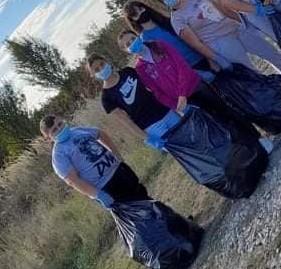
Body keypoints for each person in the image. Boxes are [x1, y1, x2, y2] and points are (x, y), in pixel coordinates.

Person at [88, 54, 270, 198]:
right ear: (93, 75)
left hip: (168, 112)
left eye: (101, 64)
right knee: (194, 155)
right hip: (153, 128)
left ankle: (240, 169)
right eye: (96, 69)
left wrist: (176, 102)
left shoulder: (128, 72)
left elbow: (154, 87)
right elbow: (126, 122)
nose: (101, 69)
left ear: (106, 61)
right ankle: (230, 183)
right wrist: (148, 139)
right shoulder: (107, 98)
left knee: (202, 141)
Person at [114, 30, 264, 139]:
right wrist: (176, 105)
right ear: (126, 51)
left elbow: (182, 66)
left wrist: (182, 94)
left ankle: (257, 137)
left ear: (137, 36)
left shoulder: (159, 45)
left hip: (196, 87)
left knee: (226, 110)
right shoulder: (140, 68)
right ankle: (248, 144)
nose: (132, 43)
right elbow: (157, 92)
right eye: (128, 44)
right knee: (217, 122)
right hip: (184, 103)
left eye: (132, 38)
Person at [153, 0, 281, 74]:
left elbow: (220, 8)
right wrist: (215, 58)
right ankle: (280, 96)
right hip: (221, 42)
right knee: (250, 71)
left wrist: (241, 22)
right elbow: (196, 44)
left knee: (270, 52)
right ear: (164, 3)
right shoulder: (177, 20)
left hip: (236, 28)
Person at [40, 115, 148, 209]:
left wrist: (116, 155)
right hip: (106, 186)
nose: (60, 129)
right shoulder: (59, 154)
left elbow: (101, 134)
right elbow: (73, 181)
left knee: (145, 199)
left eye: (60, 124)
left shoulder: (78, 131)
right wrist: (98, 194)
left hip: (120, 170)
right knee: (137, 215)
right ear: (48, 138)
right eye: (54, 130)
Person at [123, 0, 212, 73]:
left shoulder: (166, 20)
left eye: (140, 9)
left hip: (203, 54)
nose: (140, 13)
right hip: (190, 70)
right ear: (132, 20)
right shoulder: (145, 39)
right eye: (135, 14)